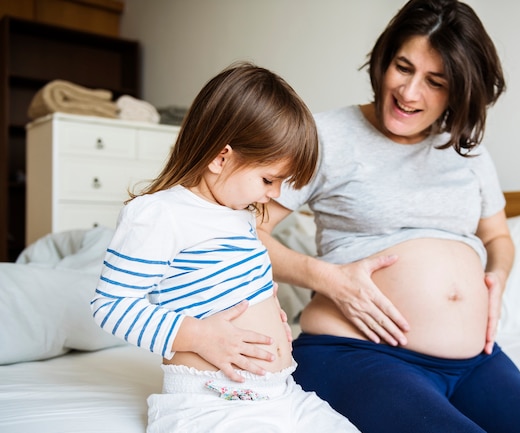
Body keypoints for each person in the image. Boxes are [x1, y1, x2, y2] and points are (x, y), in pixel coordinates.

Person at [256, 1, 520, 432]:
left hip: (476, 361)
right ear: (384, 59)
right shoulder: (325, 136)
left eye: (435, 82)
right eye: (403, 67)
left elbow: (497, 236)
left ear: (460, 92)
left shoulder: (466, 150)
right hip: (356, 353)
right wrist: (328, 278)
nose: (409, 92)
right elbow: (244, 232)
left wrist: (497, 278)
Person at [91, 63, 360, 433]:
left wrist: (271, 316)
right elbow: (111, 306)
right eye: (269, 179)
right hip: (211, 402)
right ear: (221, 157)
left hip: (282, 393)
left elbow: (233, 290)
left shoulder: (240, 216)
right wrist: (199, 336)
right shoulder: (159, 214)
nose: (276, 194)